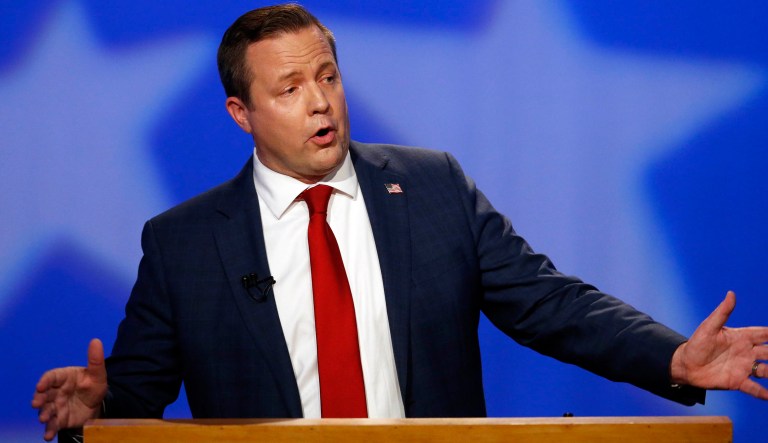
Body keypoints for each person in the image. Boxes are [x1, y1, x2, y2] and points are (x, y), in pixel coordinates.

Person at [32, 4, 767, 441]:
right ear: (242, 114)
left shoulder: (432, 187)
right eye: (290, 88)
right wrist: (93, 413)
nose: (320, 102)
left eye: (328, 75)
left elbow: (551, 303)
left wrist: (672, 357)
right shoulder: (184, 242)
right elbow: (135, 398)